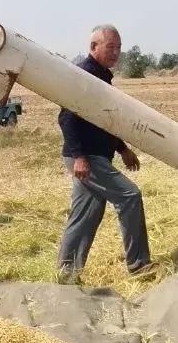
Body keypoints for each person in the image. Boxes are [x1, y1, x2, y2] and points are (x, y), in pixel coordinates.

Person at [56, 24, 152, 280]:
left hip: (94, 154)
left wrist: (122, 149)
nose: (116, 53)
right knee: (130, 196)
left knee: (86, 214)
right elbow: (66, 117)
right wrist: (79, 156)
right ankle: (139, 265)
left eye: (119, 47)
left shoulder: (102, 75)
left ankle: (66, 273)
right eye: (110, 47)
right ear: (93, 47)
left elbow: (103, 120)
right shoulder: (85, 75)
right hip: (86, 156)